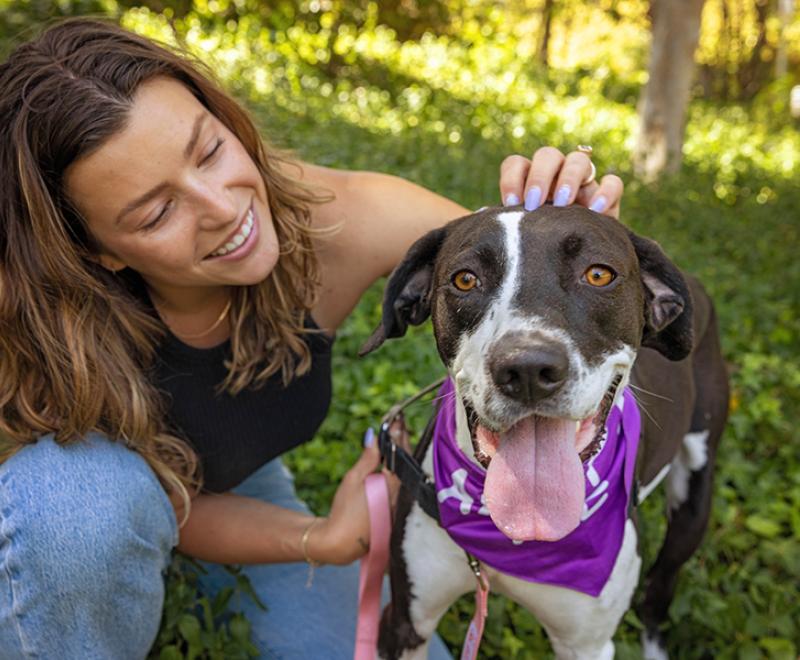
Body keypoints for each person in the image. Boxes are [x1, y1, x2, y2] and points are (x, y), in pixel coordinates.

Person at [0, 17, 623, 660]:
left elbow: (521, 271)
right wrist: (313, 539)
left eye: (210, 151)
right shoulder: (44, 318)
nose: (222, 208)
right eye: (157, 212)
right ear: (96, 252)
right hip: (99, 493)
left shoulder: (345, 220)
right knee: (74, 507)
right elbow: (159, 495)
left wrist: (582, 240)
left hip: (229, 486)